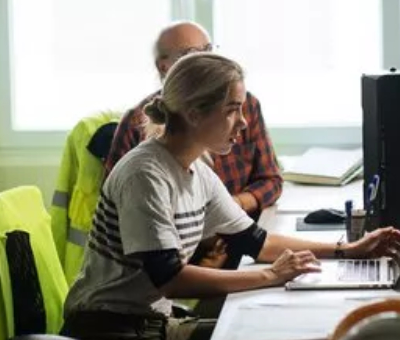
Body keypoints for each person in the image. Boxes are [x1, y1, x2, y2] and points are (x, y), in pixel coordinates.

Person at [51, 53, 400, 340]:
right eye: (232, 110)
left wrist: (347, 250)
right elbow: (169, 279)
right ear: (194, 113)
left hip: (152, 327)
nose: (242, 122)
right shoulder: (145, 174)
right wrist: (269, 276)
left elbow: (255, 242)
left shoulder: (197, 169)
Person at [105, 21, 282, 217]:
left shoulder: (244, 105)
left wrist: (235, 206)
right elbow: (124, 208)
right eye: (190, 54)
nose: (204, 61)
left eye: (208, 50)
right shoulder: (143, 151)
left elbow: (270, 180)